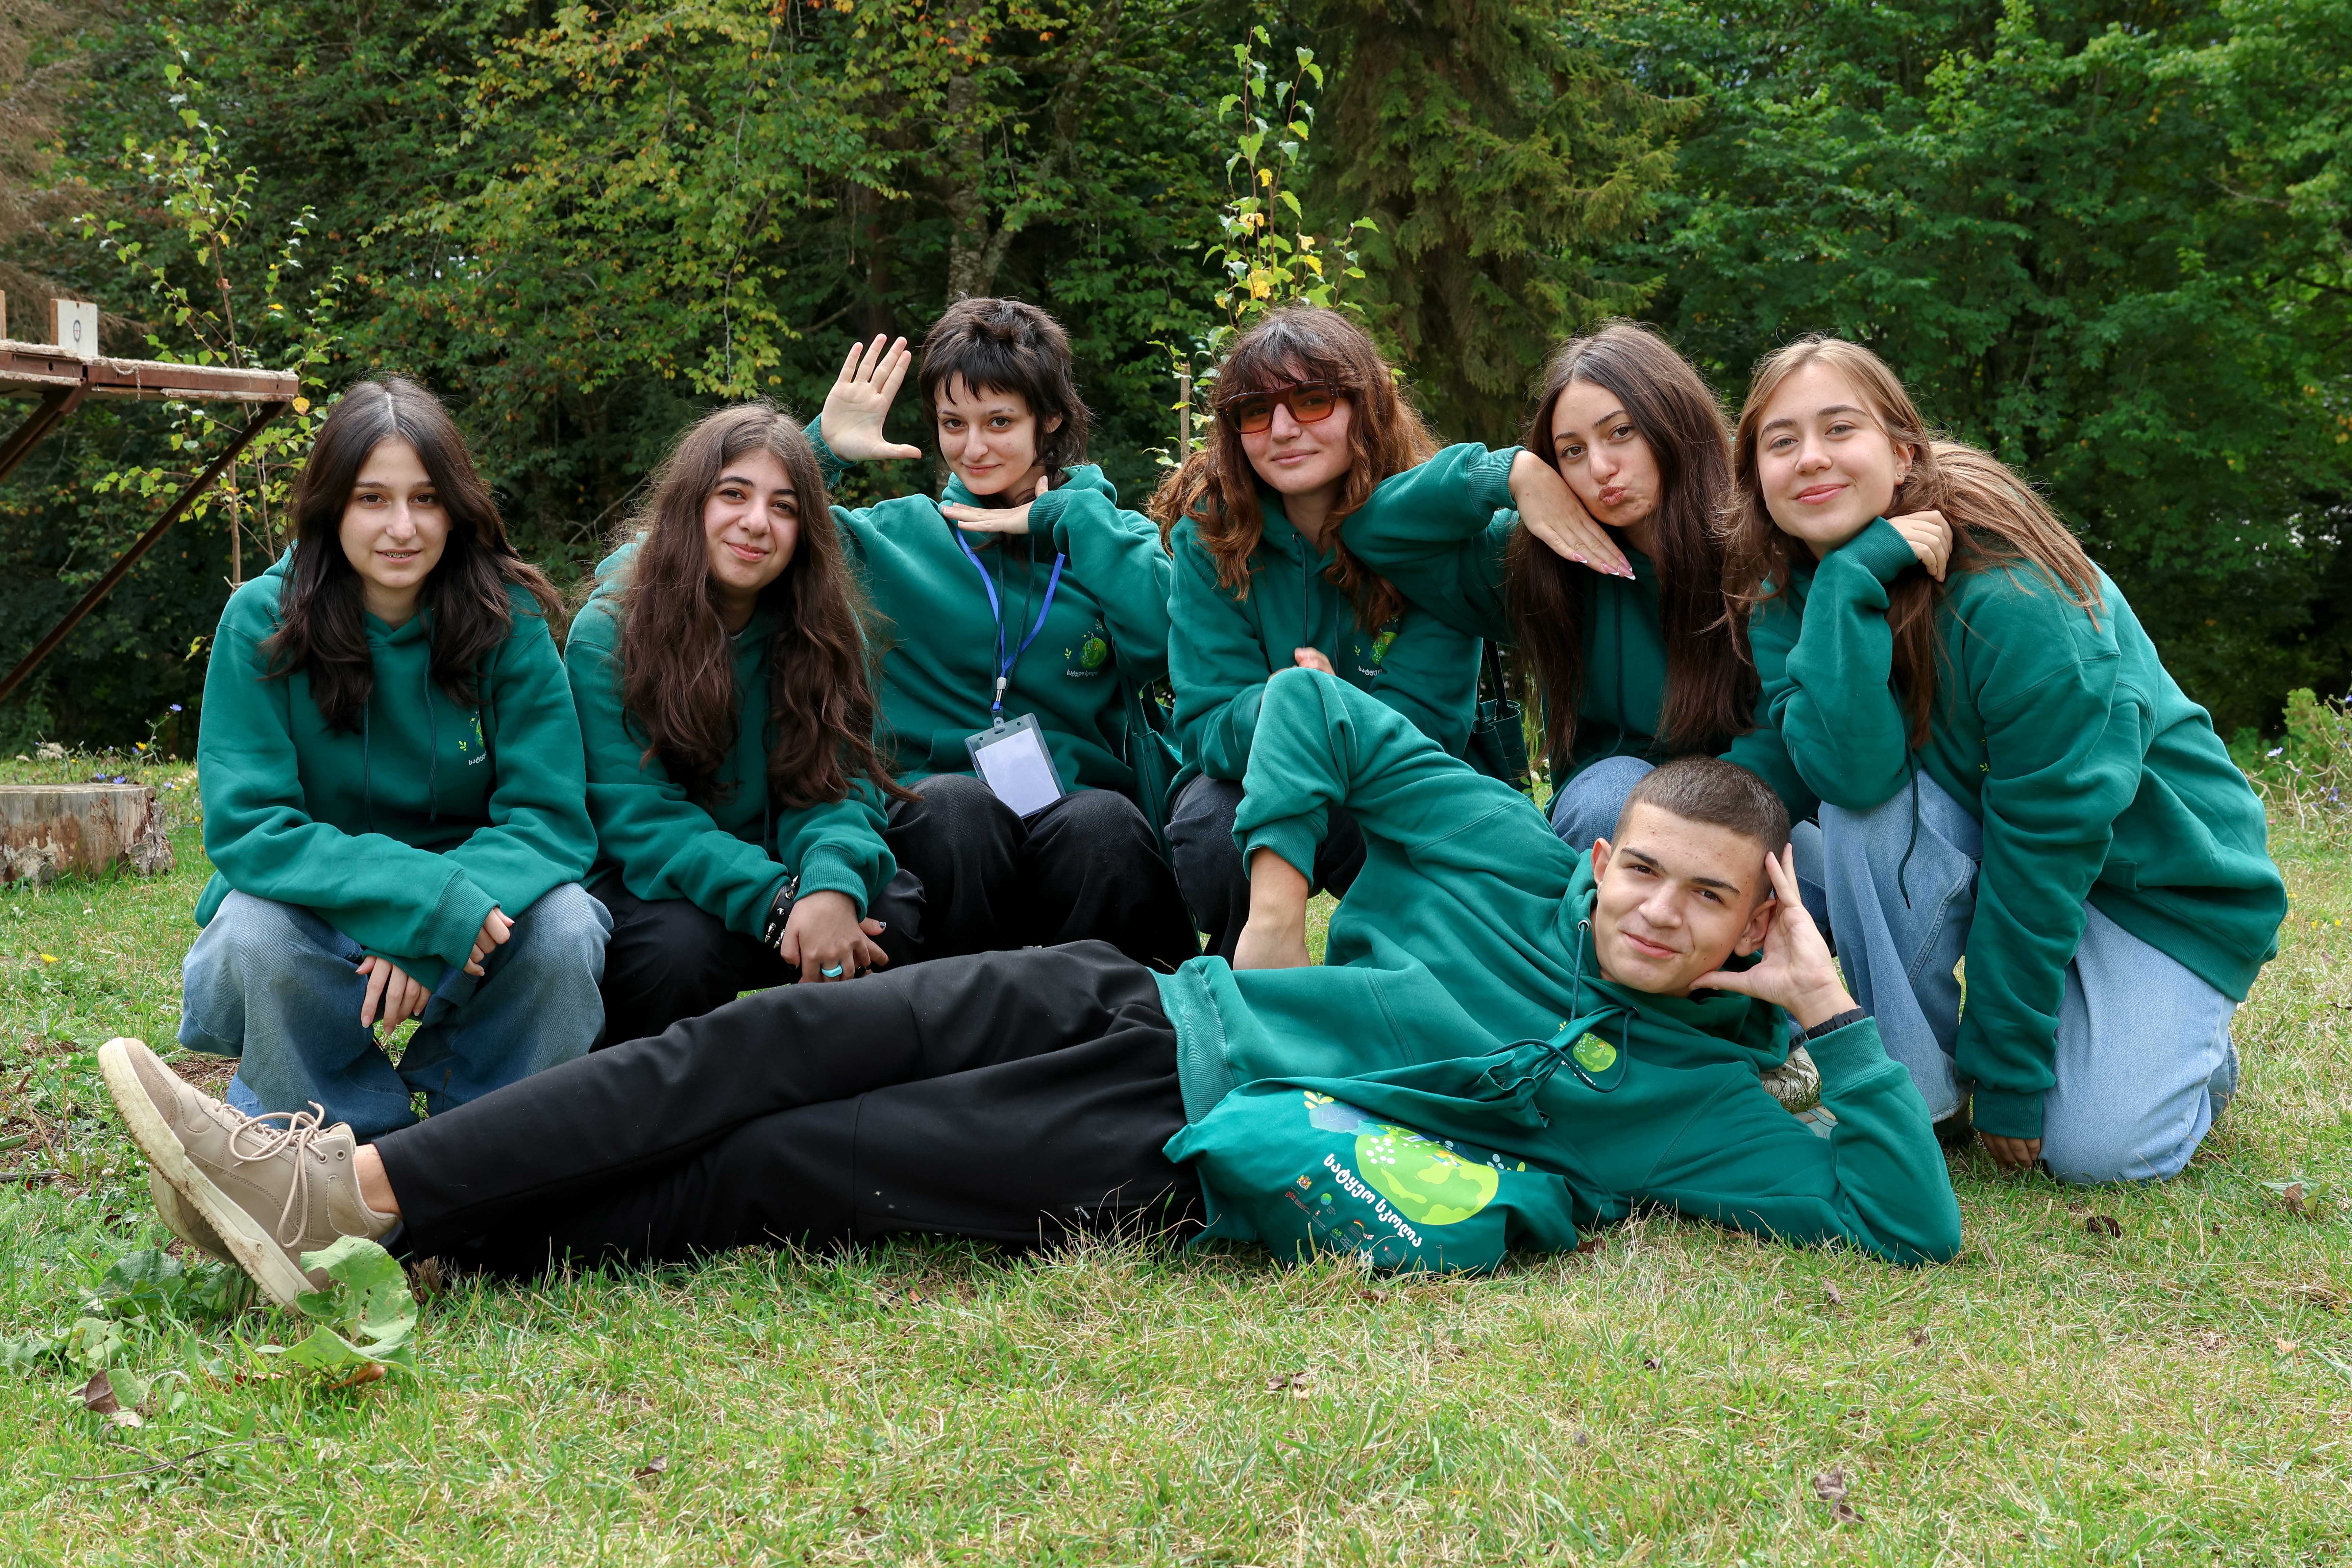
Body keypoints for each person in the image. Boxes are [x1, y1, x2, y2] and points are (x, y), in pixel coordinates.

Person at [105, 672, 1960, 1312]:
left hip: (1161, 1135)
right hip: (1122, 995)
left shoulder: (1696, 1103)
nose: (1652, 913)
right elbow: (1310, 707)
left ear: (1754, 921)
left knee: (784, 1163)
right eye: (1640, 869)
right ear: (1606, 849)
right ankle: (345, 1186)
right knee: (753, 1037)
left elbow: (1904, 1223)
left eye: (1706, 901)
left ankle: (395, 1233)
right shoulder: (1511, 855)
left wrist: (1828, 1013)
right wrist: (1280, 901)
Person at [1724, 334, 2287, 1182]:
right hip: (1997, 847)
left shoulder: (2014, 594)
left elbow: (2047, 843)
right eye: (1782, 441)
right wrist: (1846, 586)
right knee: (1858, 817)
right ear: (1756, 474)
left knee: (2101, 1155)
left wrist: (2012, 1069)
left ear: (1903, 450)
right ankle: (1920, 1097)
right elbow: (1851, 778)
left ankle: (2186, 1058)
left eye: (1840, 429)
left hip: (2149, 884)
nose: (1811, 459)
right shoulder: (1789, 590)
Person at [178, 377, 609, 1141]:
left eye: (426, 499)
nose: (402, 527)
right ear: (332, 507)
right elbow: (251, 829)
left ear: (456, 509)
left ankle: (485, 1141)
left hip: (481, 907)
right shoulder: (261, 621)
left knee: (569, 924)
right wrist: (416, 905)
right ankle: (322, 1138)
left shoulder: (508, 620)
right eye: (373, 499)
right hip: (317, 908)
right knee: (252, 931)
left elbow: (550, 820)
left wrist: (434, 922)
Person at [809, 300, 1195, 969]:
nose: (974, 448)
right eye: (953, 424)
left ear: (1050, 419)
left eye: (999, 422)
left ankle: (1109, 1021)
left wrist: (1070, 520)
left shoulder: (1107, 536)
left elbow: (1169, 643)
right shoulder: (896, 536)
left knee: (1104, 823)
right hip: (941, 825)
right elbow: (735, 538)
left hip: (1075, 818)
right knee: (956, 807)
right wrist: (820, 451)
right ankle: (959, 1021)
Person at [1335, 322, 1813, 854]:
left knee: (1815, 859)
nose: (1601, 469)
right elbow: (1370, 531)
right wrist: (1509, 473)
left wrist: (1699, 838)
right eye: (1572, 452)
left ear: (1674, 420)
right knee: (1608, 798)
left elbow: (1784, 741)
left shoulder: (1763, 538)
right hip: (1609, 816)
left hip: (1754, 812)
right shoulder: (1545, 559)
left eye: (1621, 432)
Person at [566, 403, 926, 1045]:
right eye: (733, 494)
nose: (757, 523)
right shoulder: (610, 632)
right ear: (691, 505)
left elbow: (839, 784)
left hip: (788, 865)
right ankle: (667, 1103)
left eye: (784, 507)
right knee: (678, 948)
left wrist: (829, 884)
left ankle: (853, 1095)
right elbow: (639, 819)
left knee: (887, 913)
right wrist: (778, 903)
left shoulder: (826, 626)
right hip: (663, 883)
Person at [1149, 307, 1485, 958]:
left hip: (1396, 776)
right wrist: (1296, 707)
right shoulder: (1212, 532)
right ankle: (1246, 969)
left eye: (1311, 400)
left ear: (1366, 406)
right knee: (1213, 829)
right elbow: (1207, 727)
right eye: (1255, 411)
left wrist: (1326, 713)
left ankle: (1399, 976)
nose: (1282, 430)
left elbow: (1432, 727)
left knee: (1404, 839)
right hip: (1244, 776)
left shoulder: (1430, 522)